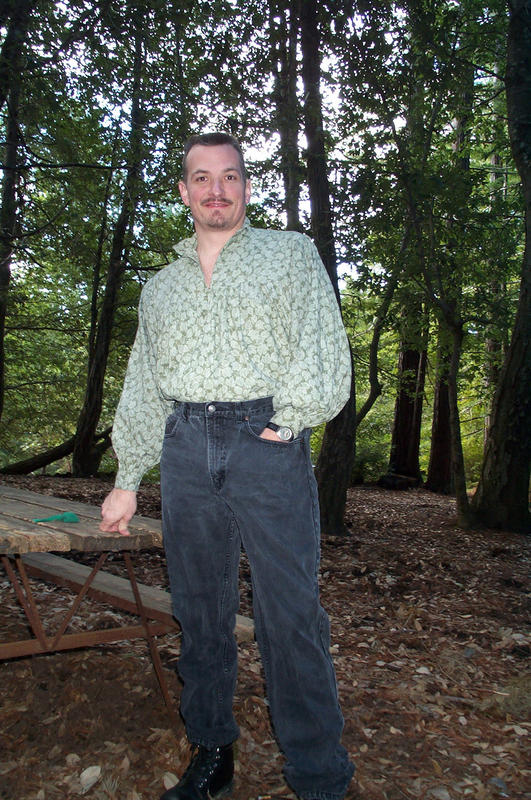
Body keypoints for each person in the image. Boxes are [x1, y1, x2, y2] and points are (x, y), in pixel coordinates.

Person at [100, 132, 355, 800]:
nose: (217, 189)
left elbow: (322, 339)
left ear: (246, 186)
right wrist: (128, 480)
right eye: (202, 178)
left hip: (263, 440)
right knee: (199, 608)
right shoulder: (160, 290)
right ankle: (213, 749)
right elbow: (143, 384)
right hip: (185, 444)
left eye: (231, 176)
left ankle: (318, 773)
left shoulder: (290, 255)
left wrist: (289, 415)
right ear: (183, 192)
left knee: (289, 612)